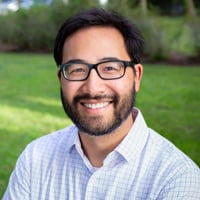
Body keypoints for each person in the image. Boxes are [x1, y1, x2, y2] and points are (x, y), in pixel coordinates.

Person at [3, 8, 200, 200]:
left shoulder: (177, 180)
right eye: (77, 69)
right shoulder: (35, 158)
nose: (93, 88)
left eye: (110, 68)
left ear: (137, 76)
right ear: (61, 79)